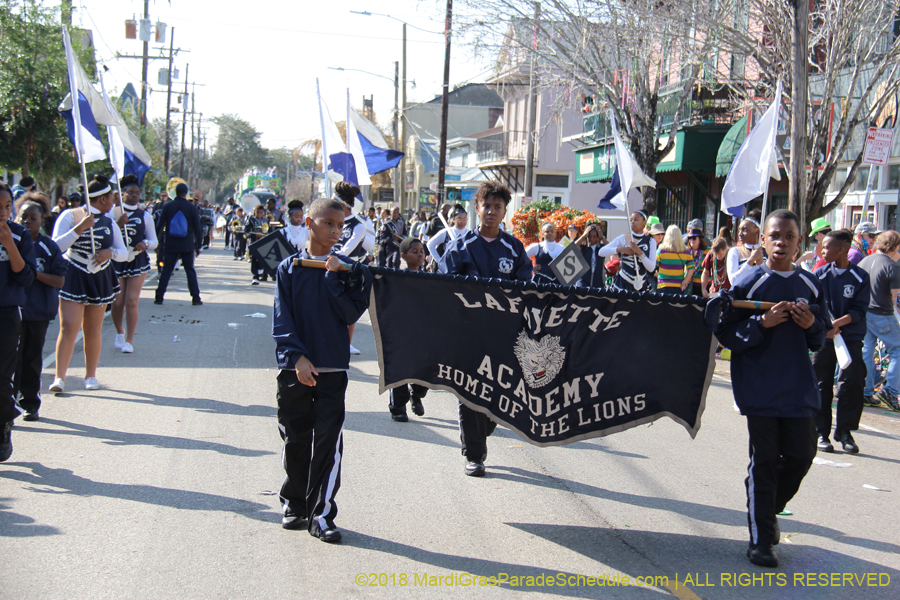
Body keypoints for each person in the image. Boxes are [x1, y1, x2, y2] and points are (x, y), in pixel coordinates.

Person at [715, 209, 827, 569]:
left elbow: (819, 337)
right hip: (759, 387)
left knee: (800, 456)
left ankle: (767, 507)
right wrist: (761, 323)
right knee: (764, 462)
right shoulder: (747, 281)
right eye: (775, 235)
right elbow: (725, 333)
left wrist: (811, 325)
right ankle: (762, 540)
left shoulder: (811, 283)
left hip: (798, 388)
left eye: (789, 236)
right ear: (762, 240)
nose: (781, 242)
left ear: (799, 242)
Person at [272, 197, 372, 543]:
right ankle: (295, 504)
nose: (335, 230)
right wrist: (297, 358)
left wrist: (334, 277)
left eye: (340, 225)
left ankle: (322, 513)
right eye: (328, 223)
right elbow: (282, 320)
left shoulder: (347, 270)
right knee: (296, 438)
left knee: (328, 441)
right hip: (295, 369)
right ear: (310, 223)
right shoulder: (289, 268)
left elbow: (349, 314)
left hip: (331, 369)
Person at [444, 181, 532, 477]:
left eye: (497, 207)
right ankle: (474, 454)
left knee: (497, 393)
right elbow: (444, 285)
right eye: (486, 206)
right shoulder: (461, 246)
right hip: (468, 334)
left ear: (505, 211)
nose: (491, 211)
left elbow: (525, 288)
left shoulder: (514, 247)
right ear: (477, 209)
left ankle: (487, 425)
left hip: (503, 335)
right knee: (469, 393)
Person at [50, 175, 129, 393]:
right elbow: (55, 246)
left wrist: (109, 253)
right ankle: (59, 377)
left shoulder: (109, 222)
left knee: (92, 330)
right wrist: (79, 228)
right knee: (69, 328)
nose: (115, 201)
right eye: (112, 197)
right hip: (74, 275)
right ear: (103, 199)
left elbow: (123, 253)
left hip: (99, 277)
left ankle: (91, 375)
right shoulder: (70, 215)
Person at [811, 229, 870, 453]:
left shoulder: (860, 277)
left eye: (827, 247)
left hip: (850, 337)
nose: (823, 251)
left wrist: (838, 324)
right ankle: (820, 432)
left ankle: (845, 431)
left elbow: (859, 310)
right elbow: (814, 306)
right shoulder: (820, 274)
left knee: (852, 382)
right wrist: (826, 326)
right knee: (821, 382)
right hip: (825, 336)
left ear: (842, 250)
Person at [14, 201, 66, 421]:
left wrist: (33, 273)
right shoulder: (11, 242)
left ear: (42, 221)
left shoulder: (49, 247)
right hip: (13, 311)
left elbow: (59, 280)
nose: (27, 221)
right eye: (23, 217)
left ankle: (30, 404)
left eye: (32, 218)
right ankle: (8, 407)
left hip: (38, 313)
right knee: (11, 361)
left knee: (32, 359)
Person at [0, 183, 37, 461]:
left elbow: (26, 278)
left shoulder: (20, 235)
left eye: (7, 206)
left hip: (7, 314)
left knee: (2, 379)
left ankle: (3, 426)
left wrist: (9, 245)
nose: (4, 213)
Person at [111, 175, 158, 354]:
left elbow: (154, 241)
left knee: (131, 300)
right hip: (117, 260)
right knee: (117, 302)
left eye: (137, 193)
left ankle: (129, 340)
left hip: (137, 260)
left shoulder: (145, 215)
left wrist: (145, 243)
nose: (134, 196)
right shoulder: (113, 213)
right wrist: (117, 223)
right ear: (122, 194)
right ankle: (119, 331)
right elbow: (106, 235)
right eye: (130, 193)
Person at [388, 237, 429, 422]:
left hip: (423, 333)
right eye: (415, 251)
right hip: (401, 333)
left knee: (424, 370)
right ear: (404, 256)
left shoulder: (432, 279)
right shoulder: (397, 279)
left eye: (422, 251)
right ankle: (398, 406)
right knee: (400, 369)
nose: (420, 254)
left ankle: (417, 394)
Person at [859, 230, 900, 412]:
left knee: (867, 351)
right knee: (898, 349)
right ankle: (890, 390)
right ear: (896, 247)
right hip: (882, 313)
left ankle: (866, 391)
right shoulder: (892, 266)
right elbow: (895, 298)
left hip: (863, 312)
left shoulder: (864, 261)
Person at [332, 182, 368, 356]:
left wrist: (330, 256)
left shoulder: (358, 226)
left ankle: (347, 342)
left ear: (342, 204)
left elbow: (345, 251)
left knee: (348, 310)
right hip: (329, 268)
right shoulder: (331, 222)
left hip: (348, 272)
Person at [154, 182, 203, 305]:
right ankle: (195, 298)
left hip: (171, 243)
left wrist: (157, 242)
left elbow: (159, 225)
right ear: (186, 193)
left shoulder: (168, 206)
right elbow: (197, 227)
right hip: (187, 244)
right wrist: (198, 245)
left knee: (166, 270)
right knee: (190, 270)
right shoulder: (191, 207)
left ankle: (159, 297)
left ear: (175, 192)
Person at [599, 211, 657, 292]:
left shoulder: (651, 241)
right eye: (631, 220)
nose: (632, 222)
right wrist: (621, 249)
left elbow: (651, 268)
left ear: (644, 222)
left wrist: (639, 252)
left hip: (641, 286)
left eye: (636, 219)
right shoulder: (624, 237)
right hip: (622, 284)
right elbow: (601, 252)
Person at [426, 205, 467, 272]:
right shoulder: (446, 232)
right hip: (447, 270)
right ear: (453, 219)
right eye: (459, 218)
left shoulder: (470, 233)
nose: (462, 221)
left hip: (464, 269)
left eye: (464, 218)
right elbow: (430, 244)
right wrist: (439, 261)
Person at [655, 225, 694, 295]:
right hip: (679, 287)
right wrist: (685, 282)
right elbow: (691, 269)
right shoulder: (686, 251)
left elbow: (654, 266)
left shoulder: (661, 250)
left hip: (663, 286)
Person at [726, 216, 765, 284]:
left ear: (756, 231)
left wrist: (761, 263)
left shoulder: (768, 252)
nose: (740, 234)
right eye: (739, 230)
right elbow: (733, 281)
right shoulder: (735, 251)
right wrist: (751, 260)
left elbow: (771, 279)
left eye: (745, 230)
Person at [576, 223, 605, 288]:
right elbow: (573, 247)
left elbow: (611, 247)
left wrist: (602, 237)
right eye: (589, 236)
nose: (591, 239)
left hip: (598, 281)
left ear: (597, 237)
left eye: (594, 237)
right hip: (583, 281)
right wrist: (583, 236)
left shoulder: (601, 248)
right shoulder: (583, 247)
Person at [245, 205, 269, 284]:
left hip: (263, 242)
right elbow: (246, 230)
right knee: (254, 259)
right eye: (257, 212)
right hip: (254, 242)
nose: (259, 214)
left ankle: (263, 274)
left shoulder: (266, 220)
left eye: (261, 213)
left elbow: (269, 231)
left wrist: (264, 234)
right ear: (254, 211)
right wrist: (254, 235)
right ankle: (255, 277)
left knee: (262, 260)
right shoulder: (251, 219)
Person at [686, 228, 708, 296]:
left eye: (694, 238)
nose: (691, 240)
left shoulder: (708, 251)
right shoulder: (687, 251)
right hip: (690, 286)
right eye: (690, 238)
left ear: (700, 239)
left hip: (703, 287)